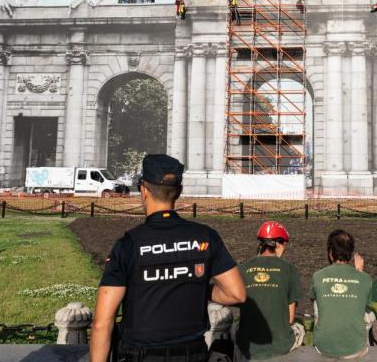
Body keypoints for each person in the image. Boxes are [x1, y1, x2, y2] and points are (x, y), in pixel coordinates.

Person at [90, 154, 246, 362]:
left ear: (143, 190)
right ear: (179, 192)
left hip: (140, 354)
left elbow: (102, 322)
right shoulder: (206, 237)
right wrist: (196, 284)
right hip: (192, 354)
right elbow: (237, 295)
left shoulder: (128, 245)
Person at [235, 221, 304, 360]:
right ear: (278, 244)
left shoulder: (242, 268)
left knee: (234, 327)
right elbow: (290, 319)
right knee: (300, 328)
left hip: (248, 345)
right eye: (284, 244)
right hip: (280, 345)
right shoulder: (290, 269)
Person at [309, 229, 374, 359]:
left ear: (330, 253)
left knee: (318, 301)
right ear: (350, 254)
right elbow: (364, 303)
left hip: (323, 347)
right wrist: (360, 272)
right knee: (370, 313)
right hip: (355, 349)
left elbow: (314, 300)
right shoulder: (365, 279)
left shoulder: (317, 276)